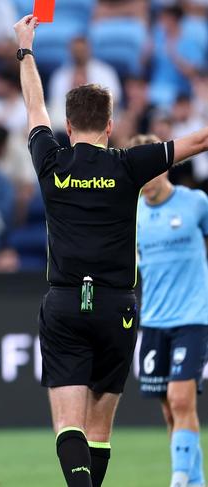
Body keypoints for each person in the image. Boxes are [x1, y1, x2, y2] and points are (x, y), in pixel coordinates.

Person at [14, 14, 208, 487]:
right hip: (118, 306)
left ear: (67, 124)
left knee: (69, 425)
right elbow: (200, 140)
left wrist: (25, 49)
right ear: (110, 125)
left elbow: (33, 104)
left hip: (63, 303)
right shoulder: (129, 164)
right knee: (99, 429)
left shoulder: (50, 160)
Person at [132, 134, 208, 487]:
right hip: (153, 321)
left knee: (181, 399)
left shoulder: (195, 203)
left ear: (162, 167)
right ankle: (193, 481)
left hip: (192, 317)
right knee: (171, 410)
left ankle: (178, 479)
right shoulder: (132, 217)